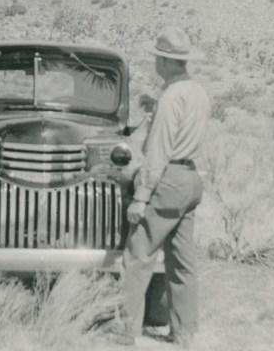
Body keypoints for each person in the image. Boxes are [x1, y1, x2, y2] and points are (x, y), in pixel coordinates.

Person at [116, 27, 210, 347]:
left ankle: (126, 332)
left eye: (158, 57)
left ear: (167, 61)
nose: (155, 61)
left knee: (138, 255)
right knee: (182, 261)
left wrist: (141, 197)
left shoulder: (171, 97)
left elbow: (158, 152)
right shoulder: (197, 92)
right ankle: (184, 333)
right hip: (191, 179)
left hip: (168, 178)